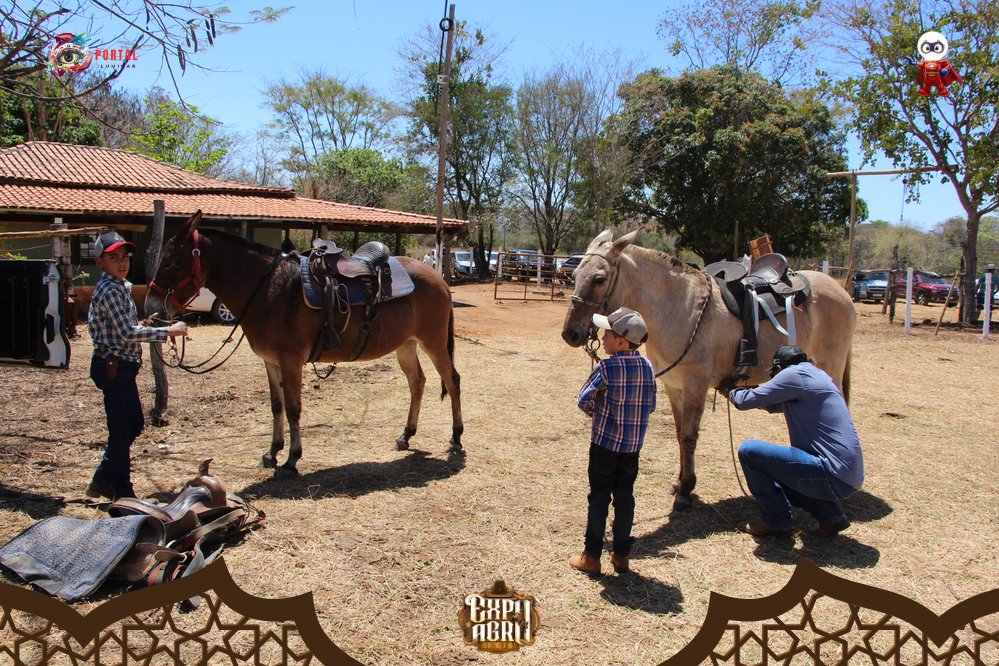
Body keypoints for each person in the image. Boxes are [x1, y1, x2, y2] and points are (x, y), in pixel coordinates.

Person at [86, 231, 189, 500]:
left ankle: (103, 478)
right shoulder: (110, 289)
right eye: (113, 258)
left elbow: (123, 327)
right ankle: (122, 492)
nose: (122, 262)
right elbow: (126, 333)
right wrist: (168, 331)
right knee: (122, 430)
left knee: (132, 425)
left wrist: (145, 324)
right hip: (114, 368)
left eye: (125, 257)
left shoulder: (120, 286)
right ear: (99, 262)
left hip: (121, 367)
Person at [720, 345, 864, 538]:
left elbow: (743, 402)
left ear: (779, 368)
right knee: (782, 467)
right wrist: (751, 391)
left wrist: (728, 389)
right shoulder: (817, 376)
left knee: (749, 452)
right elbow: (773, 405)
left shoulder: (793, 374)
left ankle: (775, 520)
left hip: (831, 473)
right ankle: (830, 516)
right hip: (847, 477)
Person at [570, 307, 656, 576]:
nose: (602, 338)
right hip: (632, 447)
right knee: (624, 497)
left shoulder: (606, 367)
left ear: (621, 342)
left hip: (604, 445)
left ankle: (591, 557)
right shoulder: (647, 367)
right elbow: (651, 405)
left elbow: (583, 399)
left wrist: (598, 413)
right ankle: (621, 555)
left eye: (607, 334)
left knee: (598, 497)